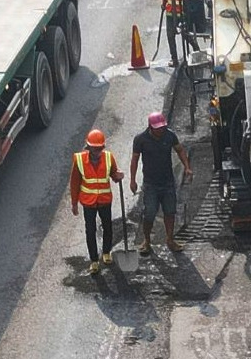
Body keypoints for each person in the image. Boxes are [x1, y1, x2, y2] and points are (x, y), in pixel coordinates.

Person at [129, 112, 192, 256]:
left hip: (168, 182)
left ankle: (170, 239)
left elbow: (180, 150)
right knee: (149, 213)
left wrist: (187, 167)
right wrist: (132, 180)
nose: (160, 130)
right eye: (157, 128)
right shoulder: (140, 140)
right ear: (150, 127)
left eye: (162, 127)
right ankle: (146, 241)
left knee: (170, 211)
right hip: (150, 184)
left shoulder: (170, 136)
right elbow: (134, 160)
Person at [69, 129, 124, 275]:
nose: (98, 151)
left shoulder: (108, 157)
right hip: (89, 202)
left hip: (105, 200)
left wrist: (118, 176)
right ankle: (94, 261)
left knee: (108, 227)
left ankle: (106, 252)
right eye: (95, 148)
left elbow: (113, 174)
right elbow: (74, 182)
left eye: (100, 148)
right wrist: (74, 203)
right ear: (89, 147)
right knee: (90, 230)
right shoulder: (79, 159)